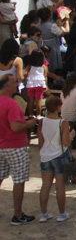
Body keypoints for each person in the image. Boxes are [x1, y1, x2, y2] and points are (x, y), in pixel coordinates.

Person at [0, 74, 38, 225]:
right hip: (15, 146)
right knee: (19, 180)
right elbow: (15, 127)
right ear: (7, 86)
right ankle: (17, 214)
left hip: (1, 145)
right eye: (16, 82)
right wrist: (28, 125)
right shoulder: (11, 104)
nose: (18, 84)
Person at [37, 95, 74, 222]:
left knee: (45, 186)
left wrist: (43, 153)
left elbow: (40, 141)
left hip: (45, 155)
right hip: (59, 156)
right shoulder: (62, 122)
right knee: (60, 187)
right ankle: (61, 213)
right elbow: (65, 142)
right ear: (58, 107)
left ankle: (43, 213)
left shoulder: (42, 121)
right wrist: (71, 135)